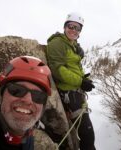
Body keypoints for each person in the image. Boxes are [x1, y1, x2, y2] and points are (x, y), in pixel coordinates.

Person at [0, 56, 57, 150]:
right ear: (1, 96)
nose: (28, 100)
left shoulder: (27, 138)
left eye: (38, 96)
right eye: (17, 90)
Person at [46, 12, 96, 150]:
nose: (73, 30)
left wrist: (85, 79)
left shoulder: (73, 46)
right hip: (68, 93)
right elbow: (57, 68)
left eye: (77, 28)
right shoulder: (57, 43)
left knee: (87, 133)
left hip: (76, 93)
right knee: (87, 133)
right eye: (70, 26)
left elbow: (75, 67)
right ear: (65, 27)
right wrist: (80, 81)